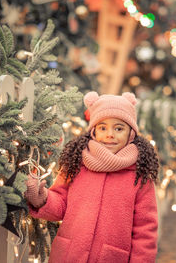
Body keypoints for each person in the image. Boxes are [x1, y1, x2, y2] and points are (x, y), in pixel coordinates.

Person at [24, 91, 159, 263]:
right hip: (70, 255)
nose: (110, 134)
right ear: (93, 131)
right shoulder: (77, 164)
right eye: (103, 127)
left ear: (131, 133)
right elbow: (60, 204)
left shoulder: (139, 175)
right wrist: (41, 198)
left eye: (119, 128)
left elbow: (145, 230)